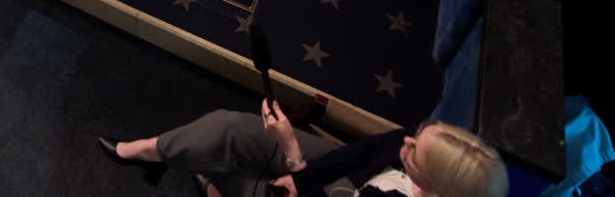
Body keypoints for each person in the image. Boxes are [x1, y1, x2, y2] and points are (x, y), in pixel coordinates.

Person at [99, 99, 508, 197]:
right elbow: (362, 153)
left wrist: (292, 152)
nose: (407, 140)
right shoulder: (413, 146)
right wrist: (305, 175)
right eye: (418, 133)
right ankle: (149, 152)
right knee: (227, 128)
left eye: (415, 151)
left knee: (221, 171)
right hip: (345, 181)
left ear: (432, 183)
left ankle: (192, 169)